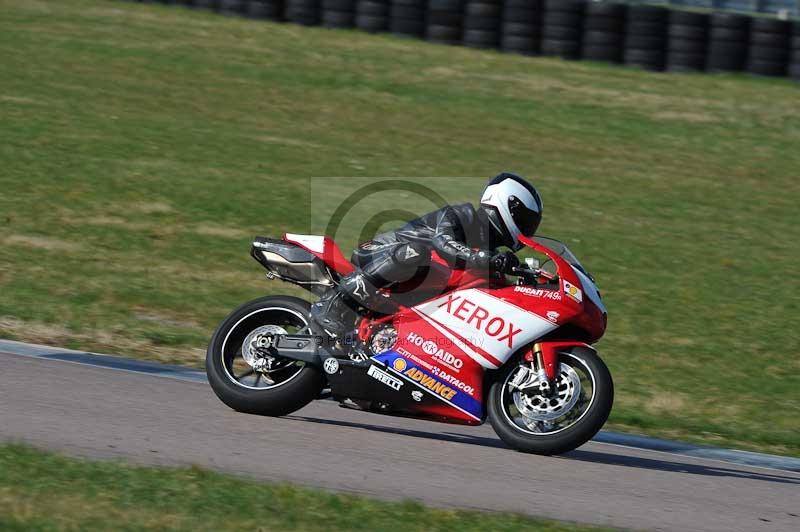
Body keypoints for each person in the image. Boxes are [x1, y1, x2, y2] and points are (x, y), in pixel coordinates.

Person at [310, 172, 543, 339]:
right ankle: (332, 304)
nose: (526, 230)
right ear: (507, 206)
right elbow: (442, 242)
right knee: (415, 253)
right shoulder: (463, 215)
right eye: (525, 221)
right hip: (380, 252)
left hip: (414, 284)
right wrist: (482, 258)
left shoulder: (489, 251)